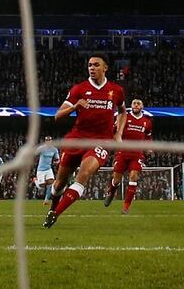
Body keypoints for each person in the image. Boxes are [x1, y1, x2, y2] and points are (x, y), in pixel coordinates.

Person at [44, 55, 126, 228]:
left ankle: (56, 214)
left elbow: (122, 111)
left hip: (101, 142)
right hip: (76, 139)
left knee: (84, 173)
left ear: (105, 68)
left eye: (96, 65)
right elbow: (57, 116)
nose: (92, 68)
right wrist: (74, 107)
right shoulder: (79, 89)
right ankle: (53, 208)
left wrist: (118, 132)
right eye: (90, 65)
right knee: (59, 183)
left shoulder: (116, 90)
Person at [104, 98, 152, 214]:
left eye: (138, 103)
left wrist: (148, 148)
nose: (136, 105)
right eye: (134, 103)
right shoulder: (124, 118)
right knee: (116, 179)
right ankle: (111, 192)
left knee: (134, 177)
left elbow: (148, 138)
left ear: (142, 107)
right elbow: (113, 132)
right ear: (131, 106)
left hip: (137, 154)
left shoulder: (147, 122)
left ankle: (126, 207)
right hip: (122, 152)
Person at [35, 136, 59, 205]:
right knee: (42, 186)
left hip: (48, 169)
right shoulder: (41, 148)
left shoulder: (54, 150)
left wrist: (56, 162)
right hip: (41, 169)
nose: (48, 142)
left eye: (49, 140)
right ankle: (35, 180)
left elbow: (57, 159)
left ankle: (46, 200)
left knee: (51, 183)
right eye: (47, 140)